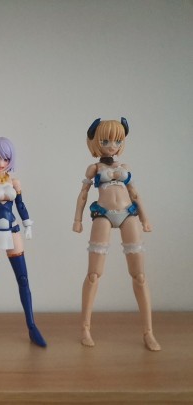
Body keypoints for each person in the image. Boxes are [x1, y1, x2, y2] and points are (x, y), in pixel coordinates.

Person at [73, 117, 160, 351]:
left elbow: (135, 194)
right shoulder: (94, 168)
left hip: (128, 214)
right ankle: (85, 328)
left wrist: (145, 218)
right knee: (93, 274)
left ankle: (148, 332)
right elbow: (83, 195)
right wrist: (77, 219)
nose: (112, 145)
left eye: (117, 141)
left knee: (139, 275)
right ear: (96, 142)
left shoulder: (125, 168)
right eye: (105, 141)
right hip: (103, 214)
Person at [0, 137, 46, 348]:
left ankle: (32, 326)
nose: (1, 163)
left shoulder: (15, 182)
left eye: (5, 158)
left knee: (23, 279)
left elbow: (20, 206)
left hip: (13, 231)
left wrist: (28, 224)